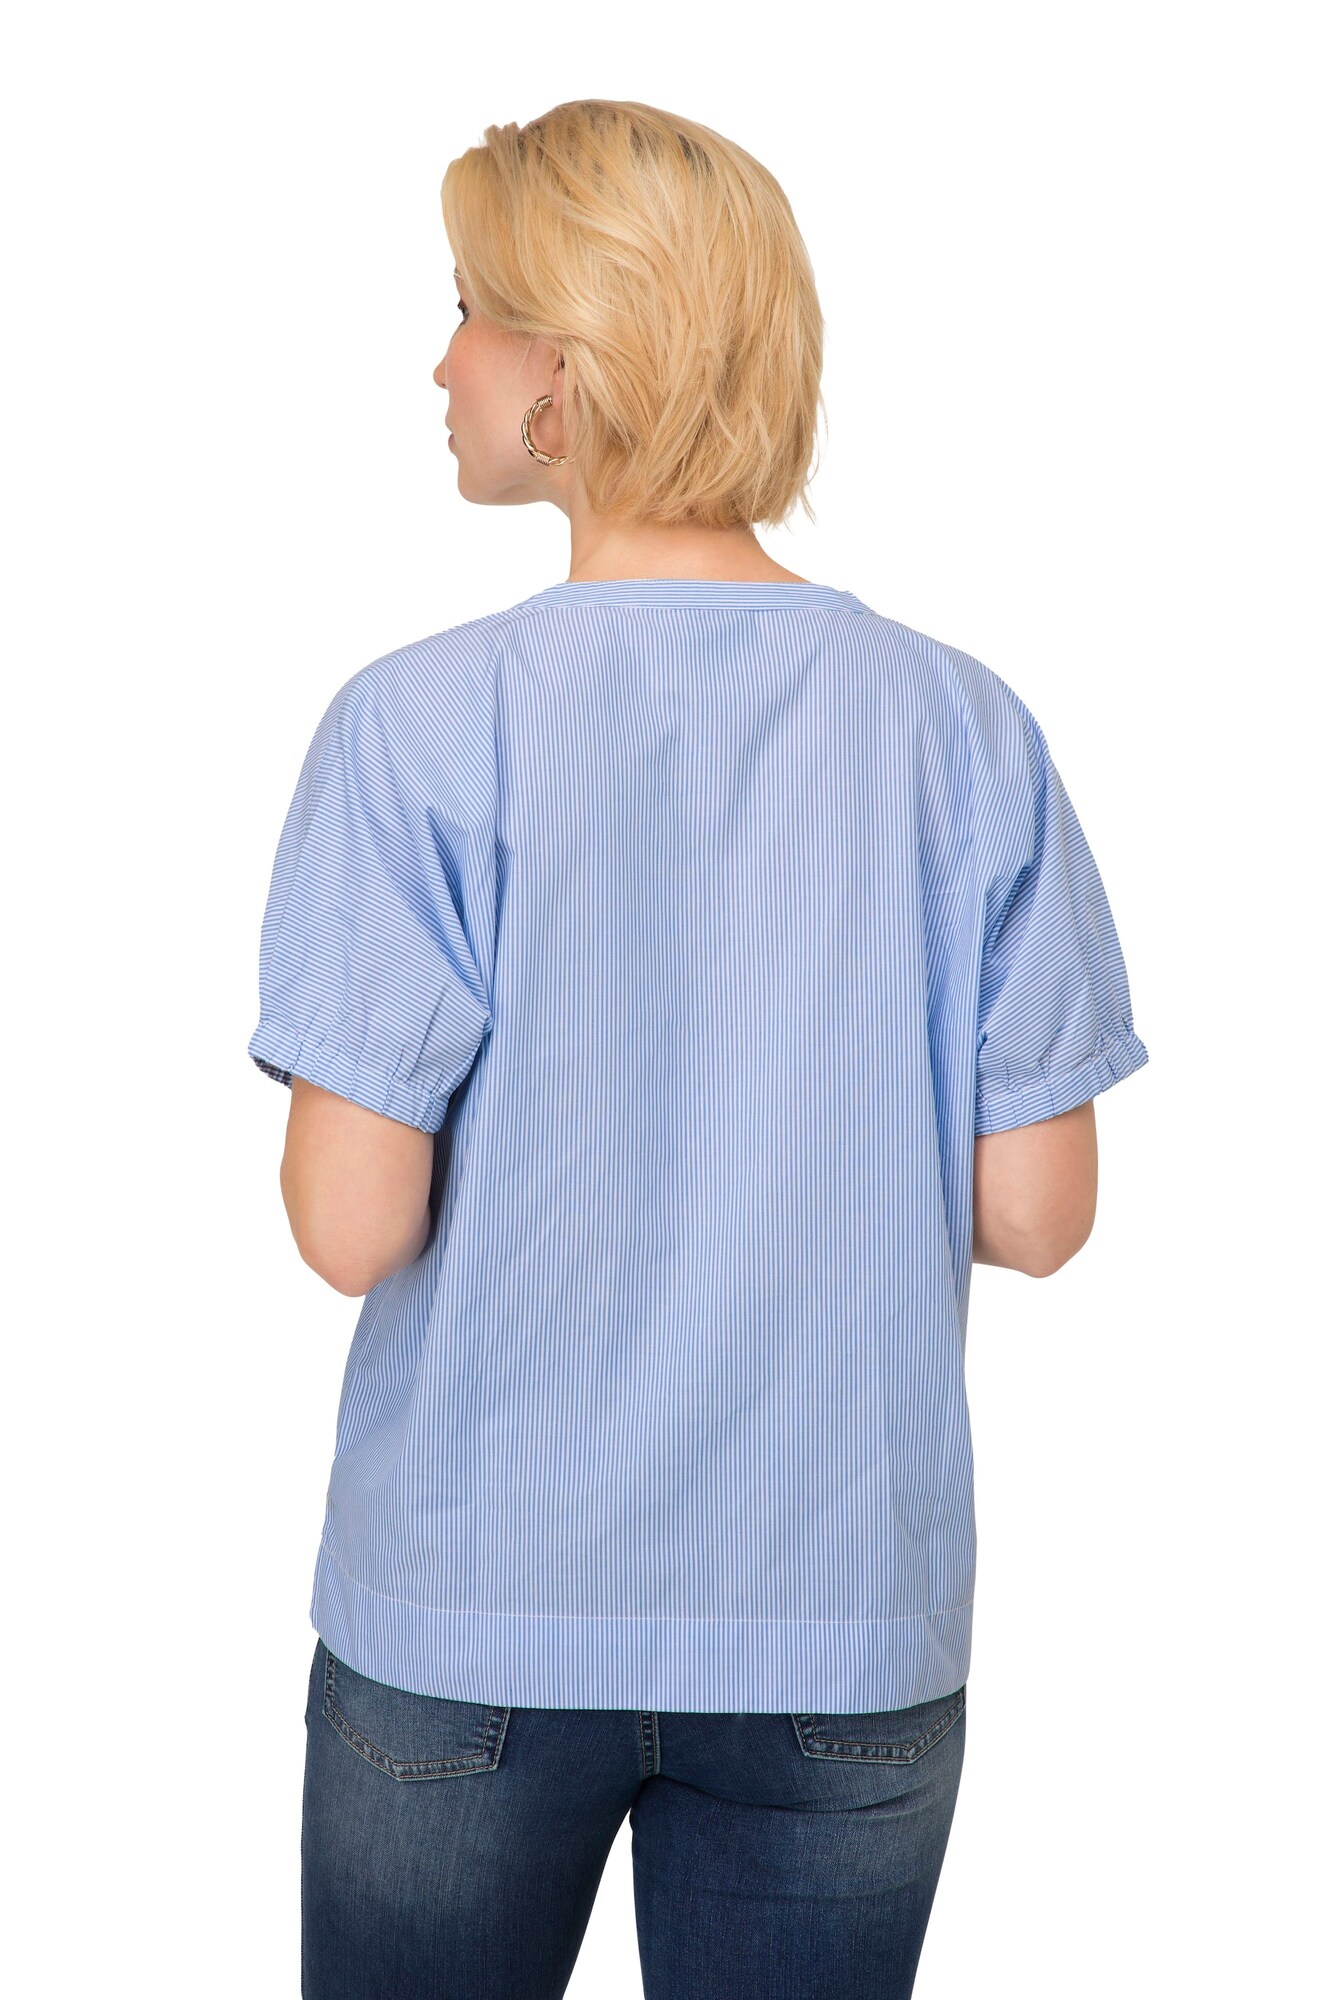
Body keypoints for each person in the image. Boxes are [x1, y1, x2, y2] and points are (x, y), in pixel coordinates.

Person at [247, 99, 1150, 2000]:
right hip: (836, 1631)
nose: (439, 362)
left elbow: (348, 1226)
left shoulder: (418, 729)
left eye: (469, 311)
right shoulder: (962, 731)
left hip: (471, 1618)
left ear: (565, 377)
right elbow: (1038, 1213)